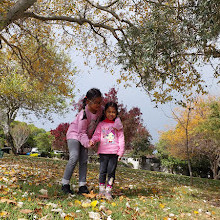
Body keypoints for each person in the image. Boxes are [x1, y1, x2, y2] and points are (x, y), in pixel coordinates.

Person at [61, 89, 123, 195]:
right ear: (88, 102)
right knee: (74, 156)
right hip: (74, 135)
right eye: (96, 102)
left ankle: (82, 185)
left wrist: (117, 122)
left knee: (84, 159)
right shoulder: (83, 115)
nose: (99, 105)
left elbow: (111, 114)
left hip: (86, 138)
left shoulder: (100, 110)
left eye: (100, 102)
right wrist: (88, 143)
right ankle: (65, 184)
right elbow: (81, 133)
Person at [89, 102, 125, 200]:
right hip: (103, 152)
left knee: (111, 172)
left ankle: (108, 191)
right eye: (109, 111)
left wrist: (120, 152)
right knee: (102, 171)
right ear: (105, 112)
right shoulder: (101, 124)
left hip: (114, 153)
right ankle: (101, 190)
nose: (111, 114)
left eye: (113, 112)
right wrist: (93, 140)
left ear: (116, 113)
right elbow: (97, 135)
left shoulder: (118, 125)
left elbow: (121, 139)